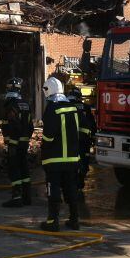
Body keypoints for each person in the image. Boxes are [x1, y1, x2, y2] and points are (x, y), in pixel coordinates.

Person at [40, 76, 82, 231]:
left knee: (54, 189)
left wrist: (43, 149)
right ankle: (74, 219)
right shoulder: (73, 108)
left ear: (48, 90)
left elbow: (48, 136)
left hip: (54, 159)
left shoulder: (52, 108)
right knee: (71, 188)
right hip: (72, 159)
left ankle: (53, 222)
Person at [0, 77, 34, 207]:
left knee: (14, 169)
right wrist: (25, 139)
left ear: (9, 88)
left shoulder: (11, 105)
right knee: (24, 168)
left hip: (15, 144)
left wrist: (12, 143)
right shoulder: (25, 104)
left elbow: (13, 126)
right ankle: (27, 197)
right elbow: (30, 126)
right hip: (24, 143)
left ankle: (16, 197)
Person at [66, 87, 96, 190]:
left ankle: (73, 182)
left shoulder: (66, 106)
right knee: (84, 160)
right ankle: (80, 180)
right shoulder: (85, 107)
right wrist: (92, 138)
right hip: (84, 141)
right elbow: (92, 124)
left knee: (72, 161)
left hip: (70, 141)